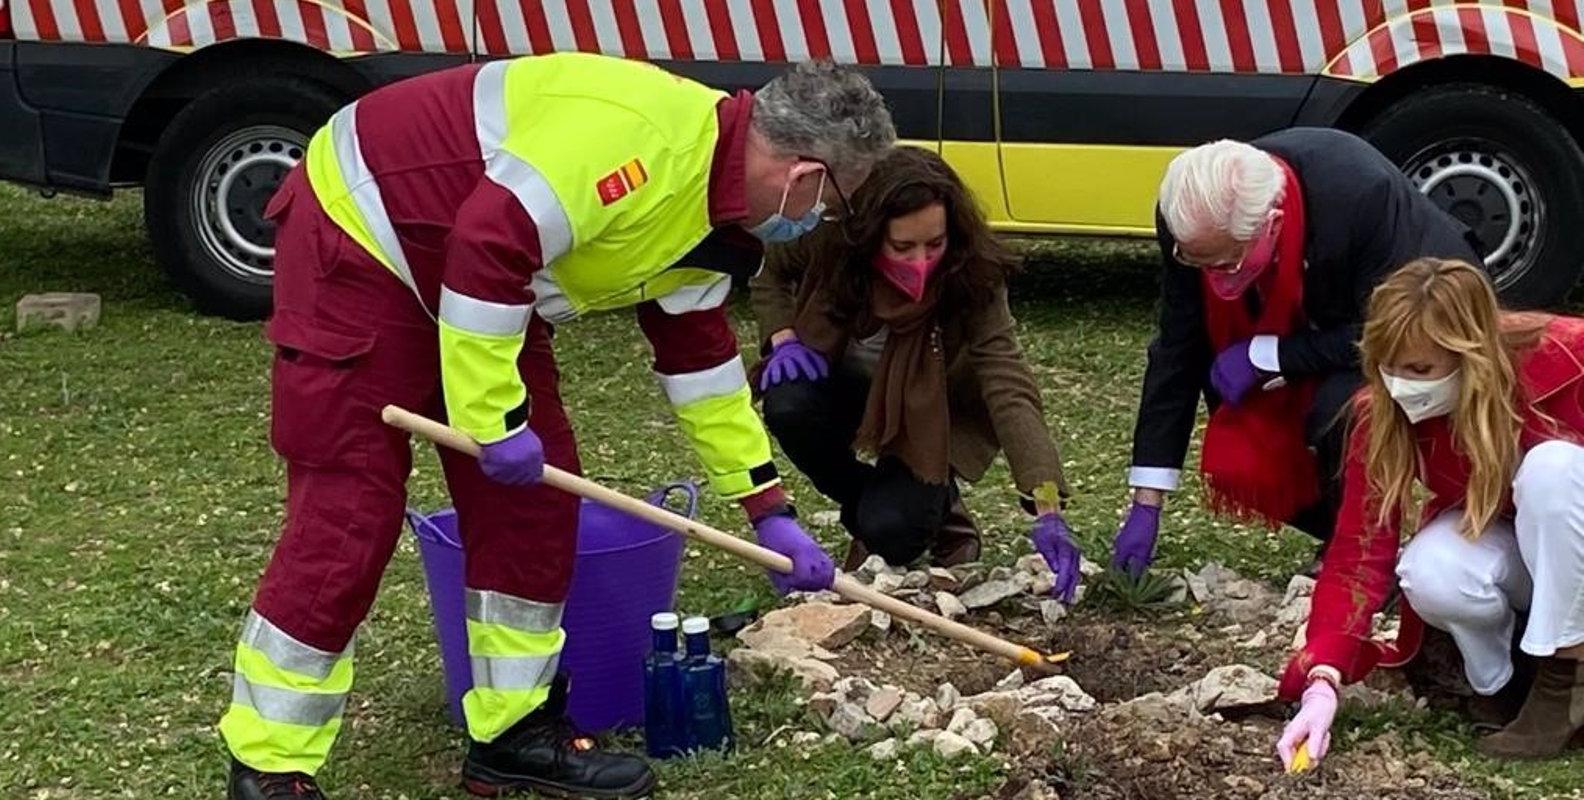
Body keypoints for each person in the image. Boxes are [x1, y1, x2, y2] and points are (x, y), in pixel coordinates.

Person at [221, 54, 895, 800]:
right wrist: (493, 423)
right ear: (806, 175)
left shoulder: (719, 220)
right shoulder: (638, 141)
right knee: (351, 513)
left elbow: (699, 364)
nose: (818, 222)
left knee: (536, 504)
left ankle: (512, 733)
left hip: (480, 284)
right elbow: (488, 242)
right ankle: (269, 762)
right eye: (833, 204)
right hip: (363, 232)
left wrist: (765, 508)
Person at [1112, 129, 1482, 579]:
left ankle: (1367, 554)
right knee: (1240, 412)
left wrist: (1277, 355)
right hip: (1299, 321)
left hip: (1414, 322)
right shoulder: (1190, 220)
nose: (1211, 276)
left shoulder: (1359, 196)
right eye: (1197, 262)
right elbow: (1178, 346)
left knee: (1341, 410)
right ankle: (1339, 532)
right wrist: (1147, 499)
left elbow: (1394, 334)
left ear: (1270, 225)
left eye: (1226, 263)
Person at [1276, 259, 1584, 769]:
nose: (1399, 385)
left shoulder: (1567, 359)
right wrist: (1322, 679)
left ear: (1472, 355)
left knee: (1551, 471)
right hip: (1530, 553)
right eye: (1388, 367)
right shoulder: (1381, 413)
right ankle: (1501, 684)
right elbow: (1358, 550)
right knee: (1431, 568)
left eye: (1419, 370)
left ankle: (1567, 677)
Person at [751, 146, 1081, 602]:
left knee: (892, 534)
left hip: (931, 416)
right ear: (869, 235)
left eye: (935, 244)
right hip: (844, 387)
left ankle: (914, 514)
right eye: (903, 246)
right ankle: (895, 506)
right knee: (789, 404)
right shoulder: (827, 237)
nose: (921, 261)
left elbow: (1006, 379)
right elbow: (768, 271)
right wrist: (782, 338)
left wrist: (1046, 505)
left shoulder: (974, 274)